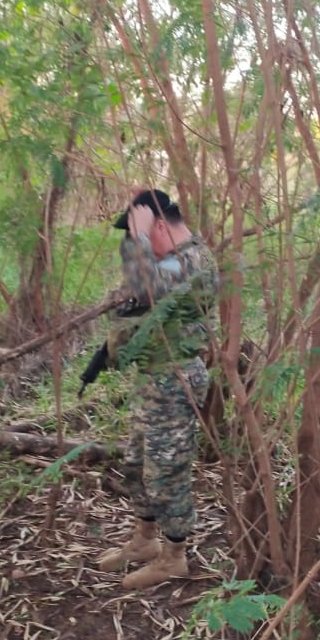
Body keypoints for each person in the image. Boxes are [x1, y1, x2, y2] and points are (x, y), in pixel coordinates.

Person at [93, 189, 219, 590]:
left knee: (166, 471)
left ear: (160, 226)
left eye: (138, 234)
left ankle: (174, 556)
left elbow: (145, 285)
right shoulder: (170, 260)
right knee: (137, 465)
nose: (132, 243)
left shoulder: (195, 261)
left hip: (177, 379)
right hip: (155, 378)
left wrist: (143, 240)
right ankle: (145, 540)